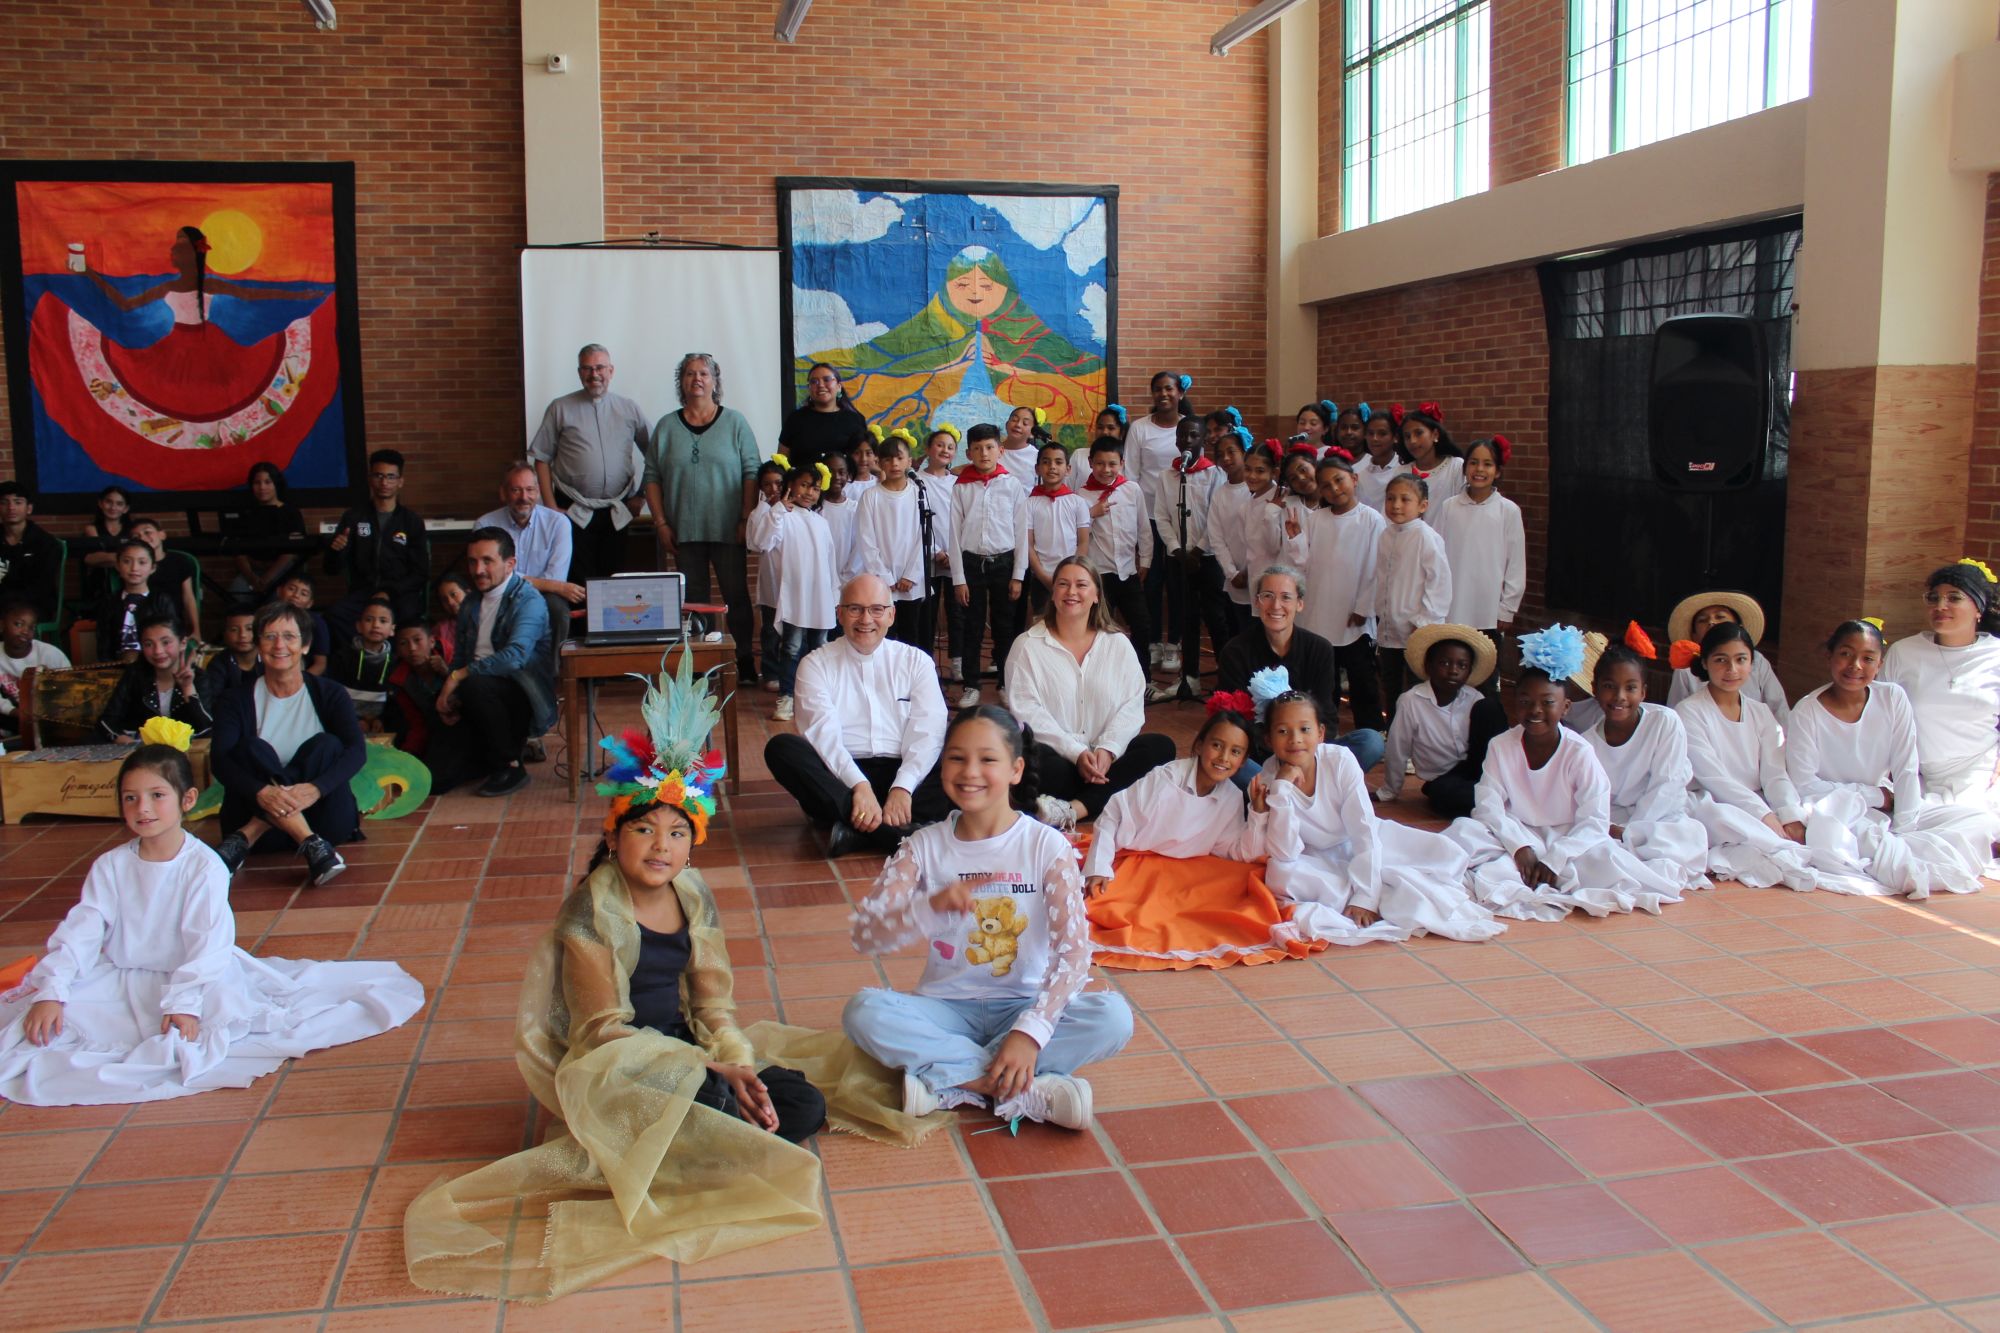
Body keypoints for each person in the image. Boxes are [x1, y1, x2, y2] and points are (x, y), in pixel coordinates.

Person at [404, 656, 935, 1302]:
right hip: (623, 1066)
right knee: (727, 1113)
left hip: (688, 1052)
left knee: (801, 1102)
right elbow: (603, 1033)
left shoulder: (692, 892)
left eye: (677, 832)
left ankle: (700, 1129)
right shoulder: (590, 912)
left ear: (693, 842)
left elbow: (713, 1003)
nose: (661, 845)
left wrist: (732, 1062)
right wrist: (707, 1075)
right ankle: (687, 1129)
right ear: (616, 832)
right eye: (645, 828)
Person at [0, 733, 422, 1106]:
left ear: (186, 800)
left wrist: (184, 1003)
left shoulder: (204, 866)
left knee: (182, 1037)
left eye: (156, 795)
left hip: (194, 976)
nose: (142, 808)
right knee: (54, 1028)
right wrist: (52, 990)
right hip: (122, 974)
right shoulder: (110, 866)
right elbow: (83, 929)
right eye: (131, 798)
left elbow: (207, 942)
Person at [844, 707, 1133, 1129]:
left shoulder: (1046, 847)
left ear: (1016, 769)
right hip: (943, 1008)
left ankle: (946, 1079)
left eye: (987, 759)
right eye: (956, 758)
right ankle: (1019, 1088)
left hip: (1023, 1004)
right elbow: (864, 936)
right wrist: (929, 908)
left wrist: (1029, 1033)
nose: (969, 772)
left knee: (1113, 1017)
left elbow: (1073, 955)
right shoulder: (921, 847)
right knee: (864, 1011)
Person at [1445, 625, 1690, 920]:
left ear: (1565, 707)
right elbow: (1488, 803)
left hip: (1569, 835)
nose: (1535, 711)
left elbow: (1594, 818)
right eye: (1525, 702)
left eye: (1547, 703)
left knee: (1609, 860)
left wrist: (1557, 857)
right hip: (1519, 831)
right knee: (1464, 831)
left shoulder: (1580, 750)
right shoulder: (1500, 745)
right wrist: (1519, 846)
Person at [1249, 683, 1499, 944]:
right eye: (1282, 731)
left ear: (1321, 733)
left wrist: (1366, 896)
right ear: (1268, 739)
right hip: (1311, 856)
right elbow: (1285, 851)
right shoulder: (1268, 778)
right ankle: (1344, 890)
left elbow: (1363, 830)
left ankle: (1358, 891)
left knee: (1435, 860)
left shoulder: (1340, 761)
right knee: (1280, 873)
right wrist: (1282, 790)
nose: (1295, 739)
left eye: (1304, 729)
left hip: (1356, 841)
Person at [1083, 704, 1323, 970]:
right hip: (1135, 860)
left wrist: (1257, 812)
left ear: (1243, 761)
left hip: (1186, 871)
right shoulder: (1164, 780)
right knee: (1102, 907)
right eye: (1217, 746)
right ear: (1198, 745)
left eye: (1235, 752)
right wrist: (1099, 866)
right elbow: (1113, 816)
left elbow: (1239, 852)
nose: (1223, 758)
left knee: (1246, 888)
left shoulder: (1231, 796)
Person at [1786, 619, 1989, 898]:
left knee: (1979, 820)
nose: (1855, 665)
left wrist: (1905, 825)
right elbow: (1805, 785)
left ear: (1879, 665)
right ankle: (1912, 858)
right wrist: (1874, 796)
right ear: (1829, 655)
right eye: (1846, 654)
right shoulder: (1806, 711)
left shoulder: (1892, 697)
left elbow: (1906, 767)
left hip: (1891, 806)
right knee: (1880, 847)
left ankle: (1912, 847)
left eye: (1867, 658)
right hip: (1838, 808)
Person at [765, 576, 951, 857]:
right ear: (839, 614)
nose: (866, 619)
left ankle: (857, 832)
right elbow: (823, 736)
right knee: (782, 749)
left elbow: (928, 730)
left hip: (908, 777)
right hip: (841, 781)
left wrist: (903, 787)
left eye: (876, 609)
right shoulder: (815, 664)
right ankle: (896, 836)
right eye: (855, 609)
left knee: (961, 743)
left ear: (891, 615)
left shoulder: (916, 662)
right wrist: (859, 786)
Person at [1003, 558, 1175, 831]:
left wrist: (1108, 750)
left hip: (1107, 763)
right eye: (1063, 584)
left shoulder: (1117, 644)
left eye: (1081, 585)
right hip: (1059, 760)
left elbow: (1132, 704)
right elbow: (1027, 711)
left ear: (1096, 595)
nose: (1072, 592)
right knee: (1035, 763)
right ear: (1053, 592)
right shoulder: (1026, 646)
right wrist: (1077, 753)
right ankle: (1110, 797)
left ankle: (1074, 809)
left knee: (1161, 747)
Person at [211, 603, 367, 885]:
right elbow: (220, 761)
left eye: (290, 637)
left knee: (326, 745)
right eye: (269, 637)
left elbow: (356, 752)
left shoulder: (330, 694)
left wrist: (314, 789)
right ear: (259, 645)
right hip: (262, 818)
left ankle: (252, 831)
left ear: (305, 645)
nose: (279, 645)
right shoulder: (235, 700)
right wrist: (260, 792)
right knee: (249, 748)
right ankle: (310, 844)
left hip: (323, 819)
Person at [643, 352, 760, 682]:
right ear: (681, 381)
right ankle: (700, 667)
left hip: (728, 529)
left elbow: (752, 471)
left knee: (736, 597)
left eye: (704, 373)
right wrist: (661, 523)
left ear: (714, 381)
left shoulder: (735, 423)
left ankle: (744, 660)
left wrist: (744, 519)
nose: (697, 379)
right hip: (683, 532)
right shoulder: (667, 426)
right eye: (690, 373)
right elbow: (651, 476)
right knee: (694, 602)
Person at [1675, 620, 1813, 890]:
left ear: (1753, 663)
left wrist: (1788, 815)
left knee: (1813, 823)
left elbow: (1775, 774)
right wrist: (1764, 817)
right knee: (1725, 820)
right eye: (1721, 660)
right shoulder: (1689, 711)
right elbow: (1714, 778)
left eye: (1741, 659)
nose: (1732, 670)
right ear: (1704, 663)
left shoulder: (1761, 713)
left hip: (1755, 801)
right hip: (1711, 801)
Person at [1217, 565, 1387, 777]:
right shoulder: (1236, 651)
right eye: (1267, 596)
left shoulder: (1319, 648)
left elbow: (1326, 714)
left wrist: (1301, 757)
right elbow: (1233, 722)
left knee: (1370, 742)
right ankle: (1284, 790)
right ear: (1257, 602)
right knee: (1232, 765)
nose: (1276, 605)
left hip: (1309, 752)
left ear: (1299, 604)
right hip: (1261, 755)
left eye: (1286, 597)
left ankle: (1300, 786)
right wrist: (1277, 751)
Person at [435, 527, 556, 798]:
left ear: (509, 563)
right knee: (438, 779)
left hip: (519, 692)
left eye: (487, 561)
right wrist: (450, 686)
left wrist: (458, 678)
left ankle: (511, 764)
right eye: (472, 561)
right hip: (475, 691)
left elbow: (515, 658)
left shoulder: (528, 600)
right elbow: (462, 656)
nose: (478, 570)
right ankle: (489, 754)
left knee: (474, 685)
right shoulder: (470, 602)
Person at [1582, 637, 1710, 891]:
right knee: (1592, 853)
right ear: (1595, 688)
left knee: (1677, 841)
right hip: (1614, 818)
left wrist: (1632, 831)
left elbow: (1667, 783)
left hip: (1660, 814)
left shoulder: (1665, 722)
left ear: (1643, 691)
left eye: (1630, 687)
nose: (1619, 697)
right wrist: (1613, 830)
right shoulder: (1587, 744)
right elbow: (1593, 801)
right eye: (1609, 686)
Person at [1882, 560, 2000, 834]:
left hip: (1978, 772)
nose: (1940, 606)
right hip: (1917, 772)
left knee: (1974, 827)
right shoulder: (1904, 652)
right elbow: (1880, 715)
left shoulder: (1996, 655)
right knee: (1908, 829)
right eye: (1934, 598)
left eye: (1954, 598)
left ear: (1978, 609)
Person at [528, 343, 651, 584]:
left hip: (618, 509)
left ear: (611, 371)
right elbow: (541, 459)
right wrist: (551, 507)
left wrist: (641, 495)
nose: (594, 374)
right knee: (577, 579)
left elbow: (656, 455)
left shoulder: (628, 409)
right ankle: (579, 625)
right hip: (572, 510)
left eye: (600, 368)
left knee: (613, 577)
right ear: (579, 373)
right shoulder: (559, 408)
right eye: (587, 368)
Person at [1284, 451, 1387, 731]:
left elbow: (1376, 567)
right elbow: (1304, 563)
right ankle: (1324, 730)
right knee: (1323, 678)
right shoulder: (1317, 519)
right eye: (1326, 485)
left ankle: (1372, 731)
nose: (1334, 489)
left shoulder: (1371, 520)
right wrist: (1295, 539)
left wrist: (1364, 607)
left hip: (1353, 614)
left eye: (1339, 480)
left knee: (1361, 679)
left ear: (1354, 479)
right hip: (1320, 611)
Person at [1377, 624, 1508, 818]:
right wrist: (1389, 790)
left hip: (1479, 769)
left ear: (1469, 671)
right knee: (1444, 795)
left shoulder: (1475, 699)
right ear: (1429, 666)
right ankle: (1498, 801)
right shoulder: (1411, 701)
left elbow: (1491, 743)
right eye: (1444, 663)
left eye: (1462, 665)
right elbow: (1398, 747)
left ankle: (1502, 789)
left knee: (1490, 708)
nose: (1453, 671)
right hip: (1444, 779)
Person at [746, 464, 840, 724]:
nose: (810, 492)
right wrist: (778, 511)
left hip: (820, 597)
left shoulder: (821, 522)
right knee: (791, 647)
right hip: (796, 597)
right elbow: (763, 542)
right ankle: (787, 696)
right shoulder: (781, 517)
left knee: (820, 648)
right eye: (804, 485)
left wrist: (835, 595)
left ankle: (818, 696)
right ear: (790, 486)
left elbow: (830, 562)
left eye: (816, 487)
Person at [1434, 437, 1525, 692]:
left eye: (1487, 464)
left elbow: (1515, 563)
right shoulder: (1449, 507)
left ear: (1498, 472)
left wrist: (1507, 608)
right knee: (1451, 674)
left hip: (1488, 611)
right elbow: (1437, 556)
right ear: (1465, 469)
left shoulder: (1508, 511)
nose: (1480, 469)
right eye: (1474, 462)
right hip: (1453, 608)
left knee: (1484, 678)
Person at [1152, 415, 1231, 701]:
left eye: (1193, 436)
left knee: (1216, 618)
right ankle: (1190, 677)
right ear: (1175, 439)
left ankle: (1227, 679)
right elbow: (1161, 516)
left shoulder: (1215, 474)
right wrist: (1175, 549)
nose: (1187, 441)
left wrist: (1197, 550)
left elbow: (1216, 516)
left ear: (1202, 439)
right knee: (1186, 617)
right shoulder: (1167, 476)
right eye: (1182, 435)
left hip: (1207, 558)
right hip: (1178, 558)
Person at [949, 424, 1029, 707]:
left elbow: (1022, 532)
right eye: (978, 448)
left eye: (990, 447)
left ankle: (1006, 683)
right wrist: (958, 579)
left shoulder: (1012, 484)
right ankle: (971, 685)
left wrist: (1018, 575)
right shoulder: (960, 487)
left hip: (1004, 564)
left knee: (1004, 626)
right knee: (972, 626)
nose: (984, 453)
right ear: (969, 452)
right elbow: (953, 534)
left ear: (1000, 450)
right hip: (971, 565)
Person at [477, 460, 581, 674]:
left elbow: (556, 577)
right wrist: (554, 587)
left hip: (543, 597)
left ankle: (550, 675)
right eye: (516, 490)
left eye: (530, 490)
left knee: (557, 608)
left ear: (539, 492)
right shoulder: (485, 525)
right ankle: (498, 672)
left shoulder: (558, 523)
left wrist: (550, 586)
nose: (524, 497)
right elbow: (493, 577)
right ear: (503, 493)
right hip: (498, 596)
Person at [325, 449, 430, 633]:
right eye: (379, 476)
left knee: (411, 620)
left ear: (400, 481)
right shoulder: (353, 517)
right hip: (363, 593)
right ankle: (359, 658)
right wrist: (336, 551)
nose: (384, 482)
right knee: (335, 614)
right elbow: (331, 569)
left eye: (391, 477)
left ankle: (394, 661)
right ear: (370, 479)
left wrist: (389, 592)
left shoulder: (411, 521)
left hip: (400, 595)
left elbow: (420, 573)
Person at [1132, 373, 1195, 678]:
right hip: (1147, 518)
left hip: (1181, 521)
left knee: (1178, 586)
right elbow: (1130, 475)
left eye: (1168, 388)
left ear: (1180, 392)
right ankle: (1154, 640)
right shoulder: (1140, 428)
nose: (1163, 394)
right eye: (1157, 389)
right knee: (1151, 583)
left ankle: (1175, 643)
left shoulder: (1190, 427)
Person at [1375, 473, 1452, 707]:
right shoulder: (1386, 535)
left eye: (1405, 499)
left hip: (1415, 631)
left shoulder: (1426, 537)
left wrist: (1423, 622)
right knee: (1391, 687)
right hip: (1389, 629)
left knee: (1417, 689)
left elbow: (1439, 582)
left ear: (1423, 505)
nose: (1396, 505)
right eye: (1390, 498)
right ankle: (1394, 734)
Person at [1080, 434, 1152, 675]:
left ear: (1122, 463)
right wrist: (1091, 512)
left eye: (1112, 464)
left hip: (1129, 571)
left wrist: (1147, 560)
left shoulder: (1132, 490)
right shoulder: (1081, 496)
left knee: (1142, 626)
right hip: (1099, 575)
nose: (1106, 469)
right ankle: (1102, 678)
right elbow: (1075, 534)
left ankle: (1143, 678)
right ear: (1090, 463)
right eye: (1100, 463)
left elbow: (1144, 528)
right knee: (1100, 631)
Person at [1664, 590, 1790, 725]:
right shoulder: (1686, 671)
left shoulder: (1758, 661)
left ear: (1738, 628)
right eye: (1703, 620)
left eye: (1719, 617)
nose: (1711, 622)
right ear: (1694, 635)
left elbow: (1779, 709)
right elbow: (1674, 717)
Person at [852, 428, 927, 645]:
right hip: (882, 582)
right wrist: (885, 578)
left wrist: (911, 575)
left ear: (909, 461)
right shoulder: (871, 497)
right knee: (884, 635)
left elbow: (923, 537)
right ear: (879, 462)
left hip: (911, 582)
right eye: (888, 459)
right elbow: (867, 541)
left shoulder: (918, 493)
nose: (894, 463)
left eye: (899, 458)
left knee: (910, 634)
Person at [96, 611, 214, 742]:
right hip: (140, 750)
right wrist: (120, 738)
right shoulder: (135, 674)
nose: (158, 651)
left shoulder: (198, 677)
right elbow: (107, 721)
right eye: (148, 644)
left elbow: (206, 729)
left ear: (183, 643)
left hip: (185, 751)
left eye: (165, 642)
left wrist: (188, 688)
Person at [1017, 440, 1093, 620]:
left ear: (1068, 469)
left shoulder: (1077, 502)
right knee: (1041, 624)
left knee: (1070, 622)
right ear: (1037, 469)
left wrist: (1072, 572)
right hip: (1042, 578)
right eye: (1046, 462)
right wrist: (1043, 576)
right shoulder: (1029, 504)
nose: (1052, 467)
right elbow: (1028, 544)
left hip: (1071, 577)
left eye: (1058, 462)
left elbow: (1083, 542)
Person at [916, 426, 965, 682]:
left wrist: (952, 552)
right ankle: (924, 664)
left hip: (954, 555)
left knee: (956, 612)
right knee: (928, 612)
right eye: (939, 445)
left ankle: (957, 662)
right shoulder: (916, 481)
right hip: (928, 557)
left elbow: (962, 519)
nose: (944, 450)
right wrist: (935, 551)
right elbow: (916, 521)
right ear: (928, 449)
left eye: (950, 447)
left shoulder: (956, 482)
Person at [228, 461, 308, 600]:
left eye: (267, 482)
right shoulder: (245, 513)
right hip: (251, 572)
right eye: (257, 483)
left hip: (282, 571)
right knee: (237, 594)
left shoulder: (290, 512)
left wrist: (267, 578)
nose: (262, 487)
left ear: (276, 484)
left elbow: (293, 550)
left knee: (277, 597)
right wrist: (252, 578)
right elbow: (238, 550)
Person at [777, 361, 869, 471]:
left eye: (827, 379)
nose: (820, 385)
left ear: (839, 386)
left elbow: (865, 459)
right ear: (809, 388)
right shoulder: (795, 419)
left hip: (845, 486)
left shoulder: (855, 420)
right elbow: (781, 460)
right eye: (814, 381)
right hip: (804, 485)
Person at [93, 538, 174, 661]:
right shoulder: (109, 602)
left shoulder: (161, 600)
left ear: (153, 568)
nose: (134, 568)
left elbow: (170, 639)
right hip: (116, 667)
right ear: (118, 566)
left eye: (142, 562)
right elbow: (103, 642)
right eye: (127, 561)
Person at [0, 594, 69, 733]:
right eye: (18, 624)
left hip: (47, 717)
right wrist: (15, 712)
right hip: (13, 714)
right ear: (1, 625)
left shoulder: (49, 654)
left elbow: (70, 688)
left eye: (31, 627)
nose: (25, 631)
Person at [127, 517, 201, 647]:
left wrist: (196, 630)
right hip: (143, 622)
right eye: (136, 536)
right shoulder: (135, 566)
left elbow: (188, 597)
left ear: (162, 534)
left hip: (174, 621)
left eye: (147, 532)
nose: (143, 537)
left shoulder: (179, 561)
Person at [0, 481, 65, 625]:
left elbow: (41, 589)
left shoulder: (46, 544)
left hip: (32, 606)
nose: (11, 507)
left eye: (18, 502)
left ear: (29, 508)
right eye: (4, 502)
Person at [327, 595, 396, 724]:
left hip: (382, 726)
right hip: (347, 722)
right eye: (369, 620)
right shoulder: (342, 657)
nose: (376, 625)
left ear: (392, 629)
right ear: (358, 626)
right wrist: (353, 721)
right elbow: (333, 696)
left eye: (383, 621)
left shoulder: (396, 662)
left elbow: (397, 705)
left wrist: (382, 720)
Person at [751, 460, 786, 684]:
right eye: (767, 484)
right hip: (771, 583)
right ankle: (771, 672)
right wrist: (767, 509)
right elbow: (757, 544)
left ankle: (789, 673)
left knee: (791, 632)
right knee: (771, 630)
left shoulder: (794, 510)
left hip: (790, 581)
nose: (773, 489)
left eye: (778, 483)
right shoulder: (760, 513)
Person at [1397, 401, 1464, 516]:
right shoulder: (1401, 472)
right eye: (1407, 436)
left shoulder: (1456, 467)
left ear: (1435, 435)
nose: (1412, 441)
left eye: (1418, 433)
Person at [80, 483, 133, 607]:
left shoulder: (133, 530)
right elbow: (92, 560)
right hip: (100, 583)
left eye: (119, 504)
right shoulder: (91, 529)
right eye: (109, 502)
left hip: (129, 579)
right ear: (100, 504)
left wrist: (109, 558)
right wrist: (124, 559)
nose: (113, 507)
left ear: (126, 508)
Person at [276, 571, 333, 675]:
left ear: (310, 603)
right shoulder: (267, 617)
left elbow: (320, 664)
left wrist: (301, 682)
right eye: (291, 589)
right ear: (279, 591)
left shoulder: (316, 623)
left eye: (304, 594)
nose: (296, 595)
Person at [200, 605, 261, 701]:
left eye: (249, 629)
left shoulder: (270, 660)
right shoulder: (218, 664)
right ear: (224, 634)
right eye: (234, 630)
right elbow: (213, 700)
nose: (242, 635)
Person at [1353, 407, 1407, 512]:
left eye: (1382, 433)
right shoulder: (1358, 473)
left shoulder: (1404, 469)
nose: (1375, 438)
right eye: (1370, 433)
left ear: (1395, 437)